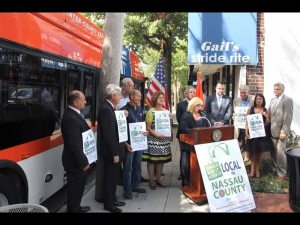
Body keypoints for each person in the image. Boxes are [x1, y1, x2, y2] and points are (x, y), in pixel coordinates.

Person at [98, 84, 126, 213]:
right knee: (110, 178)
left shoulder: (110, 108)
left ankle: (112, 199)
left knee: (113, 177)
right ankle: (109, 204)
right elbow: (109, 134)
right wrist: (114, 153)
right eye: (119, 95)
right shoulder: (106, 109)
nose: (120, 97)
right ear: (113, 96)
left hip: (115, 150)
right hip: (111, 152)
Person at [61, 90, 91, 213]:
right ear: (75, 102)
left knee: (78, 187)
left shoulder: (75, 114)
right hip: (75, 162)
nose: (85, 101)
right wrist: (84, 162)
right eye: (83, 99)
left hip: (76, 160)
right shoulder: (70, 118)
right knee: (75, 188)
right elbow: (74, 144)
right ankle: (73, 209)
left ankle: (76, 207)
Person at [142, 91, 172, 190]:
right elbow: (148, 127)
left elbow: (167, 126)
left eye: (163, 98)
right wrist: (156, 134)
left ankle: (159, 179)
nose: (162, 99)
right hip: (153, 140)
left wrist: (170, 119)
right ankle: (151, 180)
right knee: (152, 161)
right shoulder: (151, 112)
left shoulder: (166, 111)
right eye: (160, 98)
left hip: (163, 140)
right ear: (155, 99)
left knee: (161, 161)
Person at [121, 89, 147, 199]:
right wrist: (125, 143)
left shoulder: (140, 108)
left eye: (140, 96)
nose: (140, 98)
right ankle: (127, 190)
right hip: (129, 144)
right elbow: (120, 129)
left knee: (137, 165)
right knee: (128, 167)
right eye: (138, 96)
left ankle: (135, 185)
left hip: (139, 142)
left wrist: (144, 131)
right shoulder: (123, 110)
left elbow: (141, 123)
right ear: (131, 97)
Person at [179, 97, 210, 187]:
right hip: (188, 144)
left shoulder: (203, 114)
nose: (200, 107)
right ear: (193, 105)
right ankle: (186, 182)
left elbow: (208, 125)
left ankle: (198, 182)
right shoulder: (186, 115)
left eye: (201, 105)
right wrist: (196, 132)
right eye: (198, 105)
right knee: (186, 163)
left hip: (200, 143)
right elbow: (183, 128)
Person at [268, 82, 293, 181]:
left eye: (277, 89)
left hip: (281, 132)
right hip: (273, 130)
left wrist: (284, 131)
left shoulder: (287, 100)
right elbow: (270, 114)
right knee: (273, 152)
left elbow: (288, 117)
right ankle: (275, 170)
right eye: (274, 89)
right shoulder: (272, 100)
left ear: (282, 89)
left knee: (280, 153)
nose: (275, 91)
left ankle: (282, 173)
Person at [245, 94, 273, 178]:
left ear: (263, 100)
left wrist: (265, 115)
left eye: (260, 99)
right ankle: (252, 169)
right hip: (253, 135)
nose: (258, 100)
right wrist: (246, 132)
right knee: (253, 152)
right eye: (257, 99)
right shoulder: (251, 109)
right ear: (255, 100)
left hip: (262, 135)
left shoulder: (265, 110)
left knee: (260, 153)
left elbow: (268, 123)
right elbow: (247, 122)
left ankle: (257, 169)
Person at [176, 86, 195, 180]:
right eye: (190, 92)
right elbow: (179, 119)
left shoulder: (197, 104)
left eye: (193, 92)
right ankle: (182, 173)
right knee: (184, 154)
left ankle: (191, 172)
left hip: (195, 134)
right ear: (186, 94)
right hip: (183, 134)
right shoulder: (180, 105)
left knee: (192, 154)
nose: (192, 93)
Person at [233, 85, 254, 166]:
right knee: (240, 141)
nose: (243, 94)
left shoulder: (253, 100)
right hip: (239, 125)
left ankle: (247, 158)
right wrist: (234, 115)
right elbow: (234, 112)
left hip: (249, 125)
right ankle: (240, 158)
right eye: (241, 92)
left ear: (248, 92)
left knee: (248, 141)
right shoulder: (236, 101)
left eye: (244, 92)